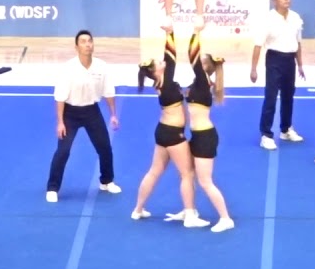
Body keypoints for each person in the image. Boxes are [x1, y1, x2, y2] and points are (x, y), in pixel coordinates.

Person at [131, 28, 209, 228]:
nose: (161, 62)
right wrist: (170, 34)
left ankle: (138, 209)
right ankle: (190, 215)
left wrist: (170, 34)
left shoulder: (161, 82)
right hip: (174, 135)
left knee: (155, 171)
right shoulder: (164, 82)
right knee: (187, 173)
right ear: (155, 71)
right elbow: (171, 56)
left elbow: (169, 58)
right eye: (158, 63)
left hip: (163, 132)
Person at [47, 30, 121, 203]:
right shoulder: (68, 68)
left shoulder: (101, 67)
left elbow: (108, 92)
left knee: (104, 147)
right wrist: (60, 122)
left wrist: (113, 115)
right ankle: (52, 188)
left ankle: (106, 181)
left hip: (91, 112)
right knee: (63, 151)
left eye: (90, 41)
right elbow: (60, 96)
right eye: (83, 42)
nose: (88, 44)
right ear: (76, 47)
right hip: (70, 114)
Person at [174, 29, 234, 232]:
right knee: (187, 173)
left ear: (205, 67)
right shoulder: (199, 83)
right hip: (198, 135)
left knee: (206, 181)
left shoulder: (202, 80)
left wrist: (196, 33)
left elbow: (192, 54)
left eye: (201, 62)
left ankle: (226, 218)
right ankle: (189, 209)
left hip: (205, 137)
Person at [251, 0, 306, 150]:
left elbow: (298, 43)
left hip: (290, 60)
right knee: (271, 96)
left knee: (289, 95)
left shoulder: (296, 18)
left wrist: (300, 64)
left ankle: (286, 129)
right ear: (274, 0)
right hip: (274, 59)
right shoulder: (268, 19)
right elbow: (258, 45)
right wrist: (253, 69)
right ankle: (266, 135)